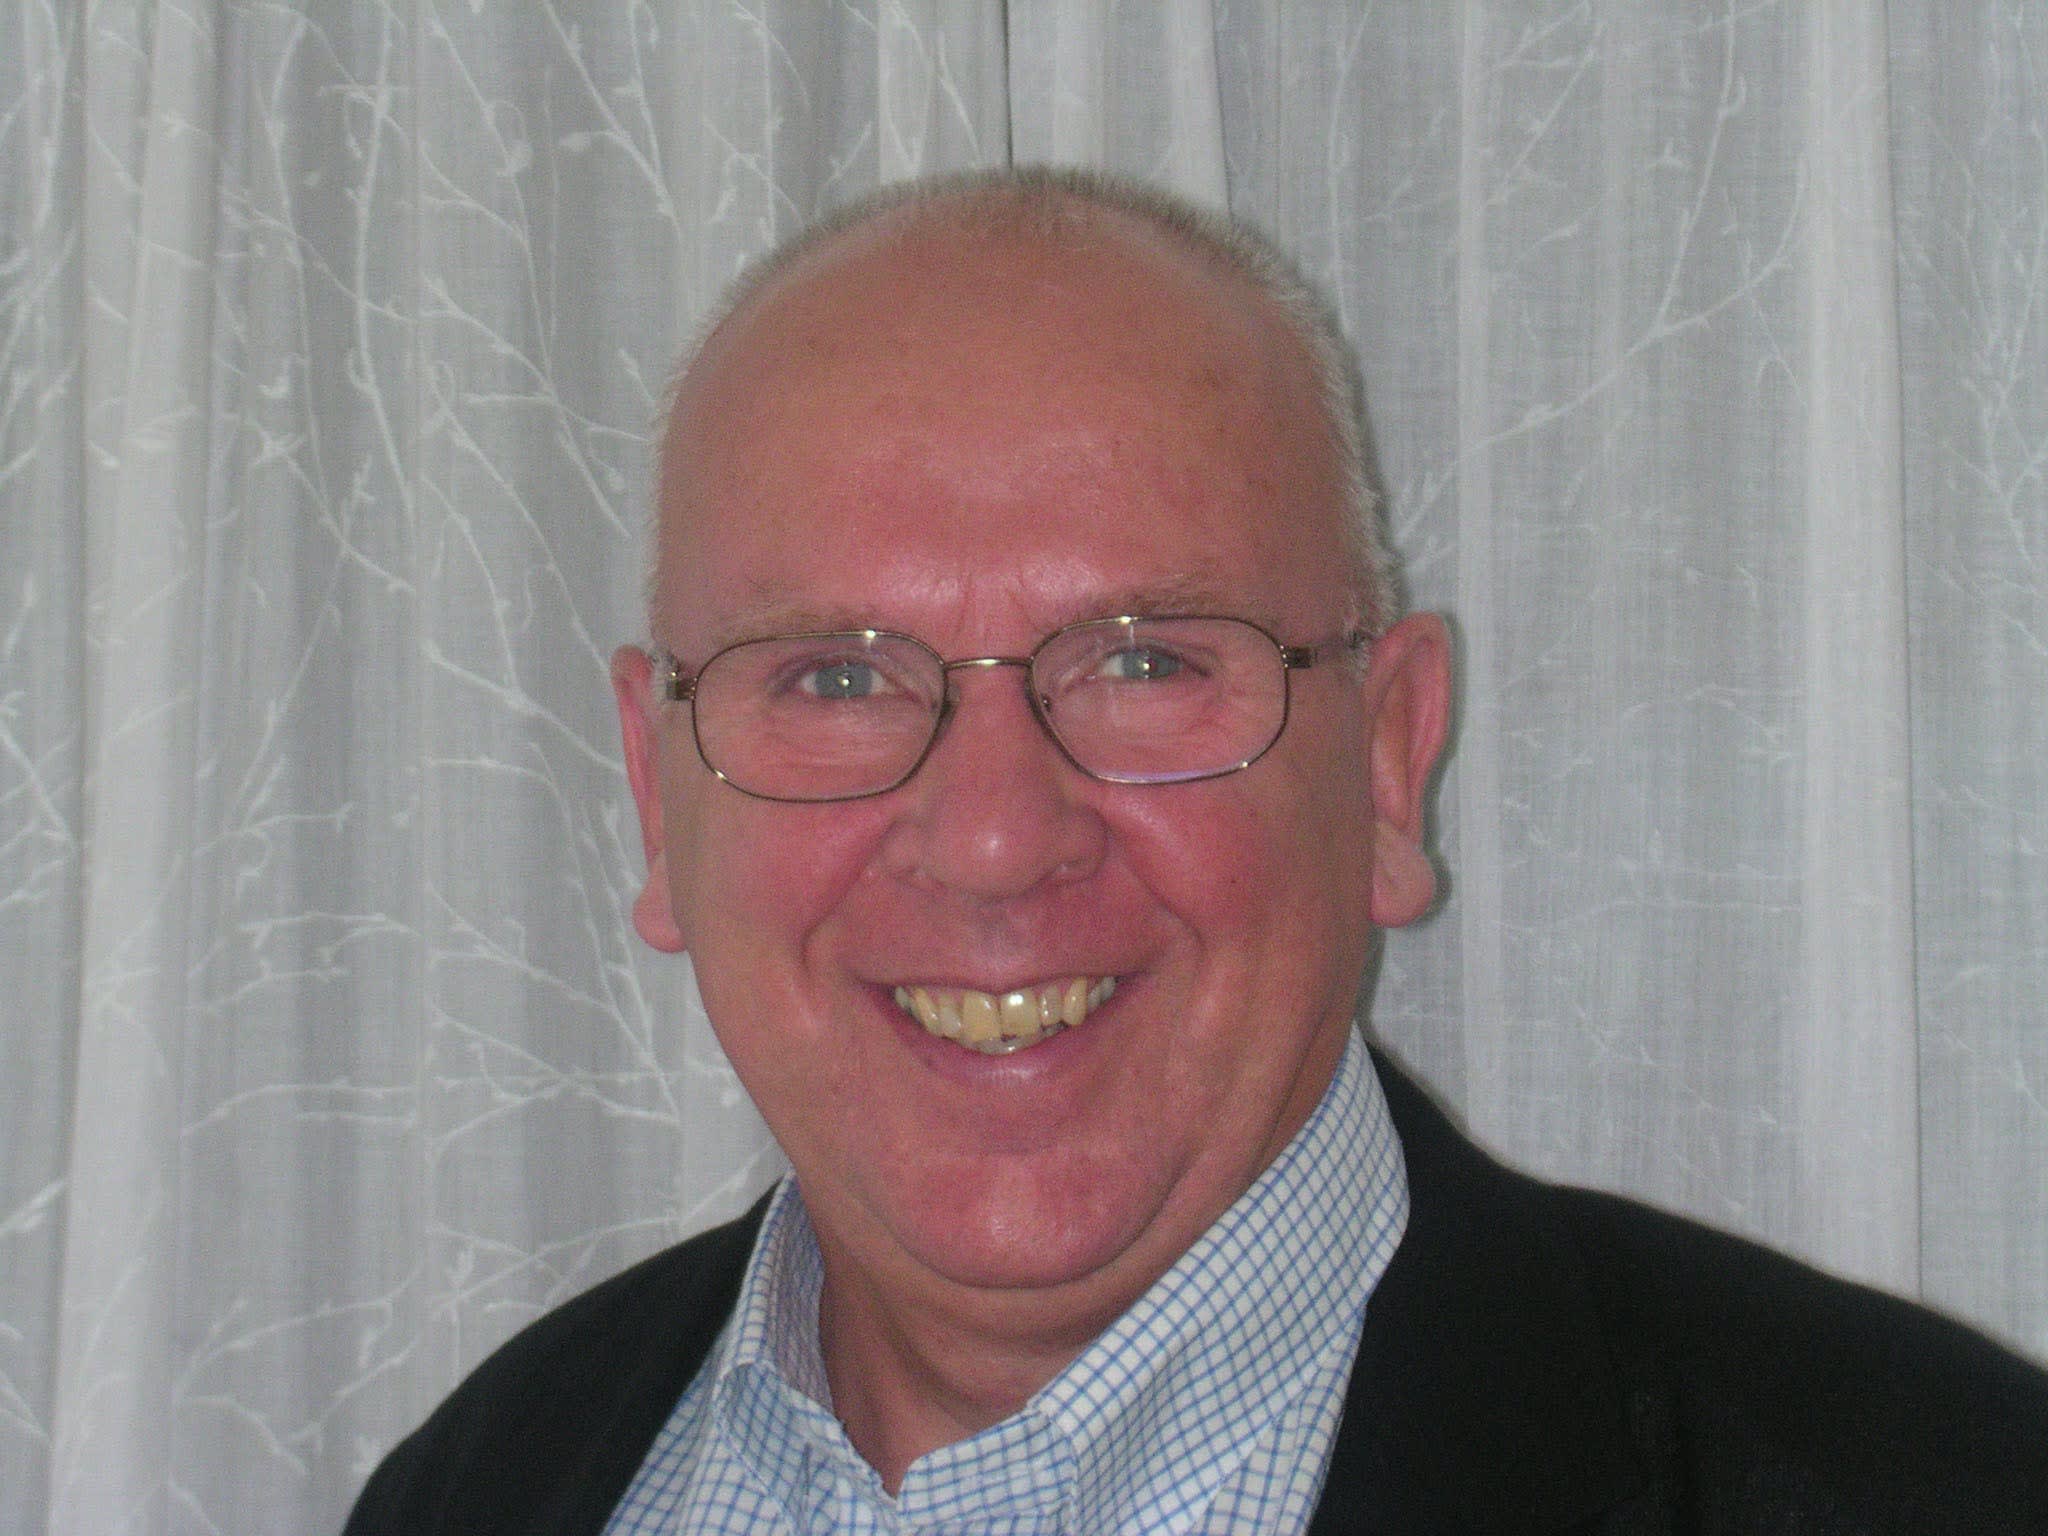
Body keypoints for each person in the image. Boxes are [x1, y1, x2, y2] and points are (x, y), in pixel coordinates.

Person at [345, 168, 2048, 1535]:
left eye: (1146, 663)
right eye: (837, 681)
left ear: (1387, 764)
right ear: (658, 798)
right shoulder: (487, 1485)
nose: (994, 839)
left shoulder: (1941, 1491)